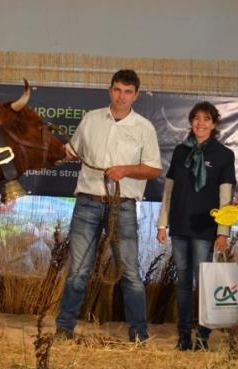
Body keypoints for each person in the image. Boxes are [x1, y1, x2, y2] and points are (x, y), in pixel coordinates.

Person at [55, 69, 162, 342]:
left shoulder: (144, 128)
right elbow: (71, 151)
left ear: (135, 95)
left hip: (123, 206)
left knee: (130, 273)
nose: (121, 96)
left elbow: (153, 170)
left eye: (127, 92)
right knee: (78, 271)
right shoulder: (91, 119)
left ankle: (138, 333)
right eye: (117, 90)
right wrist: (53, 153)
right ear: (109, 90)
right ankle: (63, 329)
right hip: (87, 203)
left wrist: (124, 170)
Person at [157, 101, 235, 351]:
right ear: (191, 122)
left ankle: (202, 336)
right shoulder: (180, 151)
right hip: (179, 226)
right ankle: (183, 336)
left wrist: (223, 231)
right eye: (196, 118)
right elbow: (168, 191)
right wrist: (162, 224)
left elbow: (226, 197)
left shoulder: (224, 155)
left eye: (207, 119)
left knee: (203, 283)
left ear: (214, 124)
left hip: (205, 229)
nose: (201, 123)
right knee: (182, 283)